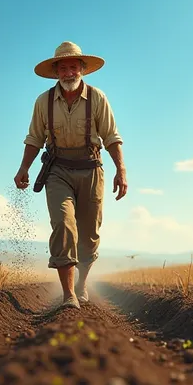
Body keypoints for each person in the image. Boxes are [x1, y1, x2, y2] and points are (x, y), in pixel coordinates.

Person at [14, 41, 127, 309]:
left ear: (82, 70)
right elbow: (34, 138)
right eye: (62, 68)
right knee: (64, 227)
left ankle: (81, 283)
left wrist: (121, 170)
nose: (68, 73)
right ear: (56, 73)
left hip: (91, 169)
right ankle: (69, 295)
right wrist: (23, 168)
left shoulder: (98, 98)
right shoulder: (43, 101)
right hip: (58, 170)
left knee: (88, 236)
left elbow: (111, 136)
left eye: (72, 67)